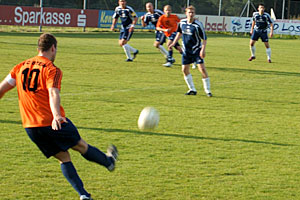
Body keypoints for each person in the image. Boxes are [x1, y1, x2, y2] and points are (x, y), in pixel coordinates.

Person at [0, 33, 118, 200]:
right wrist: (56, 116)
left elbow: (2, 89)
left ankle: (83, 195)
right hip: (51, 121)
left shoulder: (19, 67)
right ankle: (109, 162)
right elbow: (53, 93)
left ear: (38, 49)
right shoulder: (51, 69)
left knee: (63, 157)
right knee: (81, 146)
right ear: (53, 48)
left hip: (31, 127)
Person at [169, 6, 212, 97]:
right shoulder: (182, 23)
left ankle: (207, 91)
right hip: (186, 51)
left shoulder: (197, 25)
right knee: (184, 70)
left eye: (192, 12)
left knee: (202, 69)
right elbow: (179, 33)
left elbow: (204, 39)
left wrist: (203, 50)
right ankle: (192, 89)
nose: (191, 14)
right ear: (186, 13)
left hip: (196, 50)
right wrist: (174, 43)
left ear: (194, 14)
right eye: (189, 12)